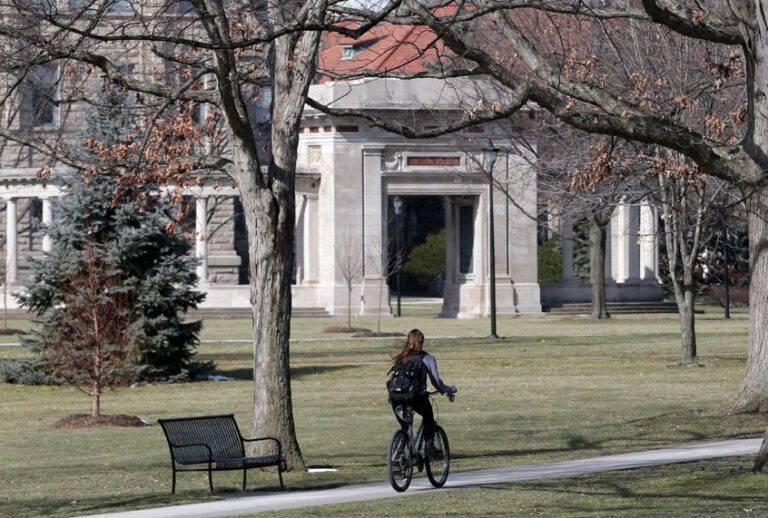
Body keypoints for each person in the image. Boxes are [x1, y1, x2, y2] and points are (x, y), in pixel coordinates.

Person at [390, 328, 457, 456]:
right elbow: (436, 382)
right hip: (415, 397)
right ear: (422, 341)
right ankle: (430, 447)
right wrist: (448, 389)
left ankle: (397, 458)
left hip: (396, 397)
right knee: (428, 417)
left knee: (404, 426)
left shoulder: (401, 357)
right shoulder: (427, 358)